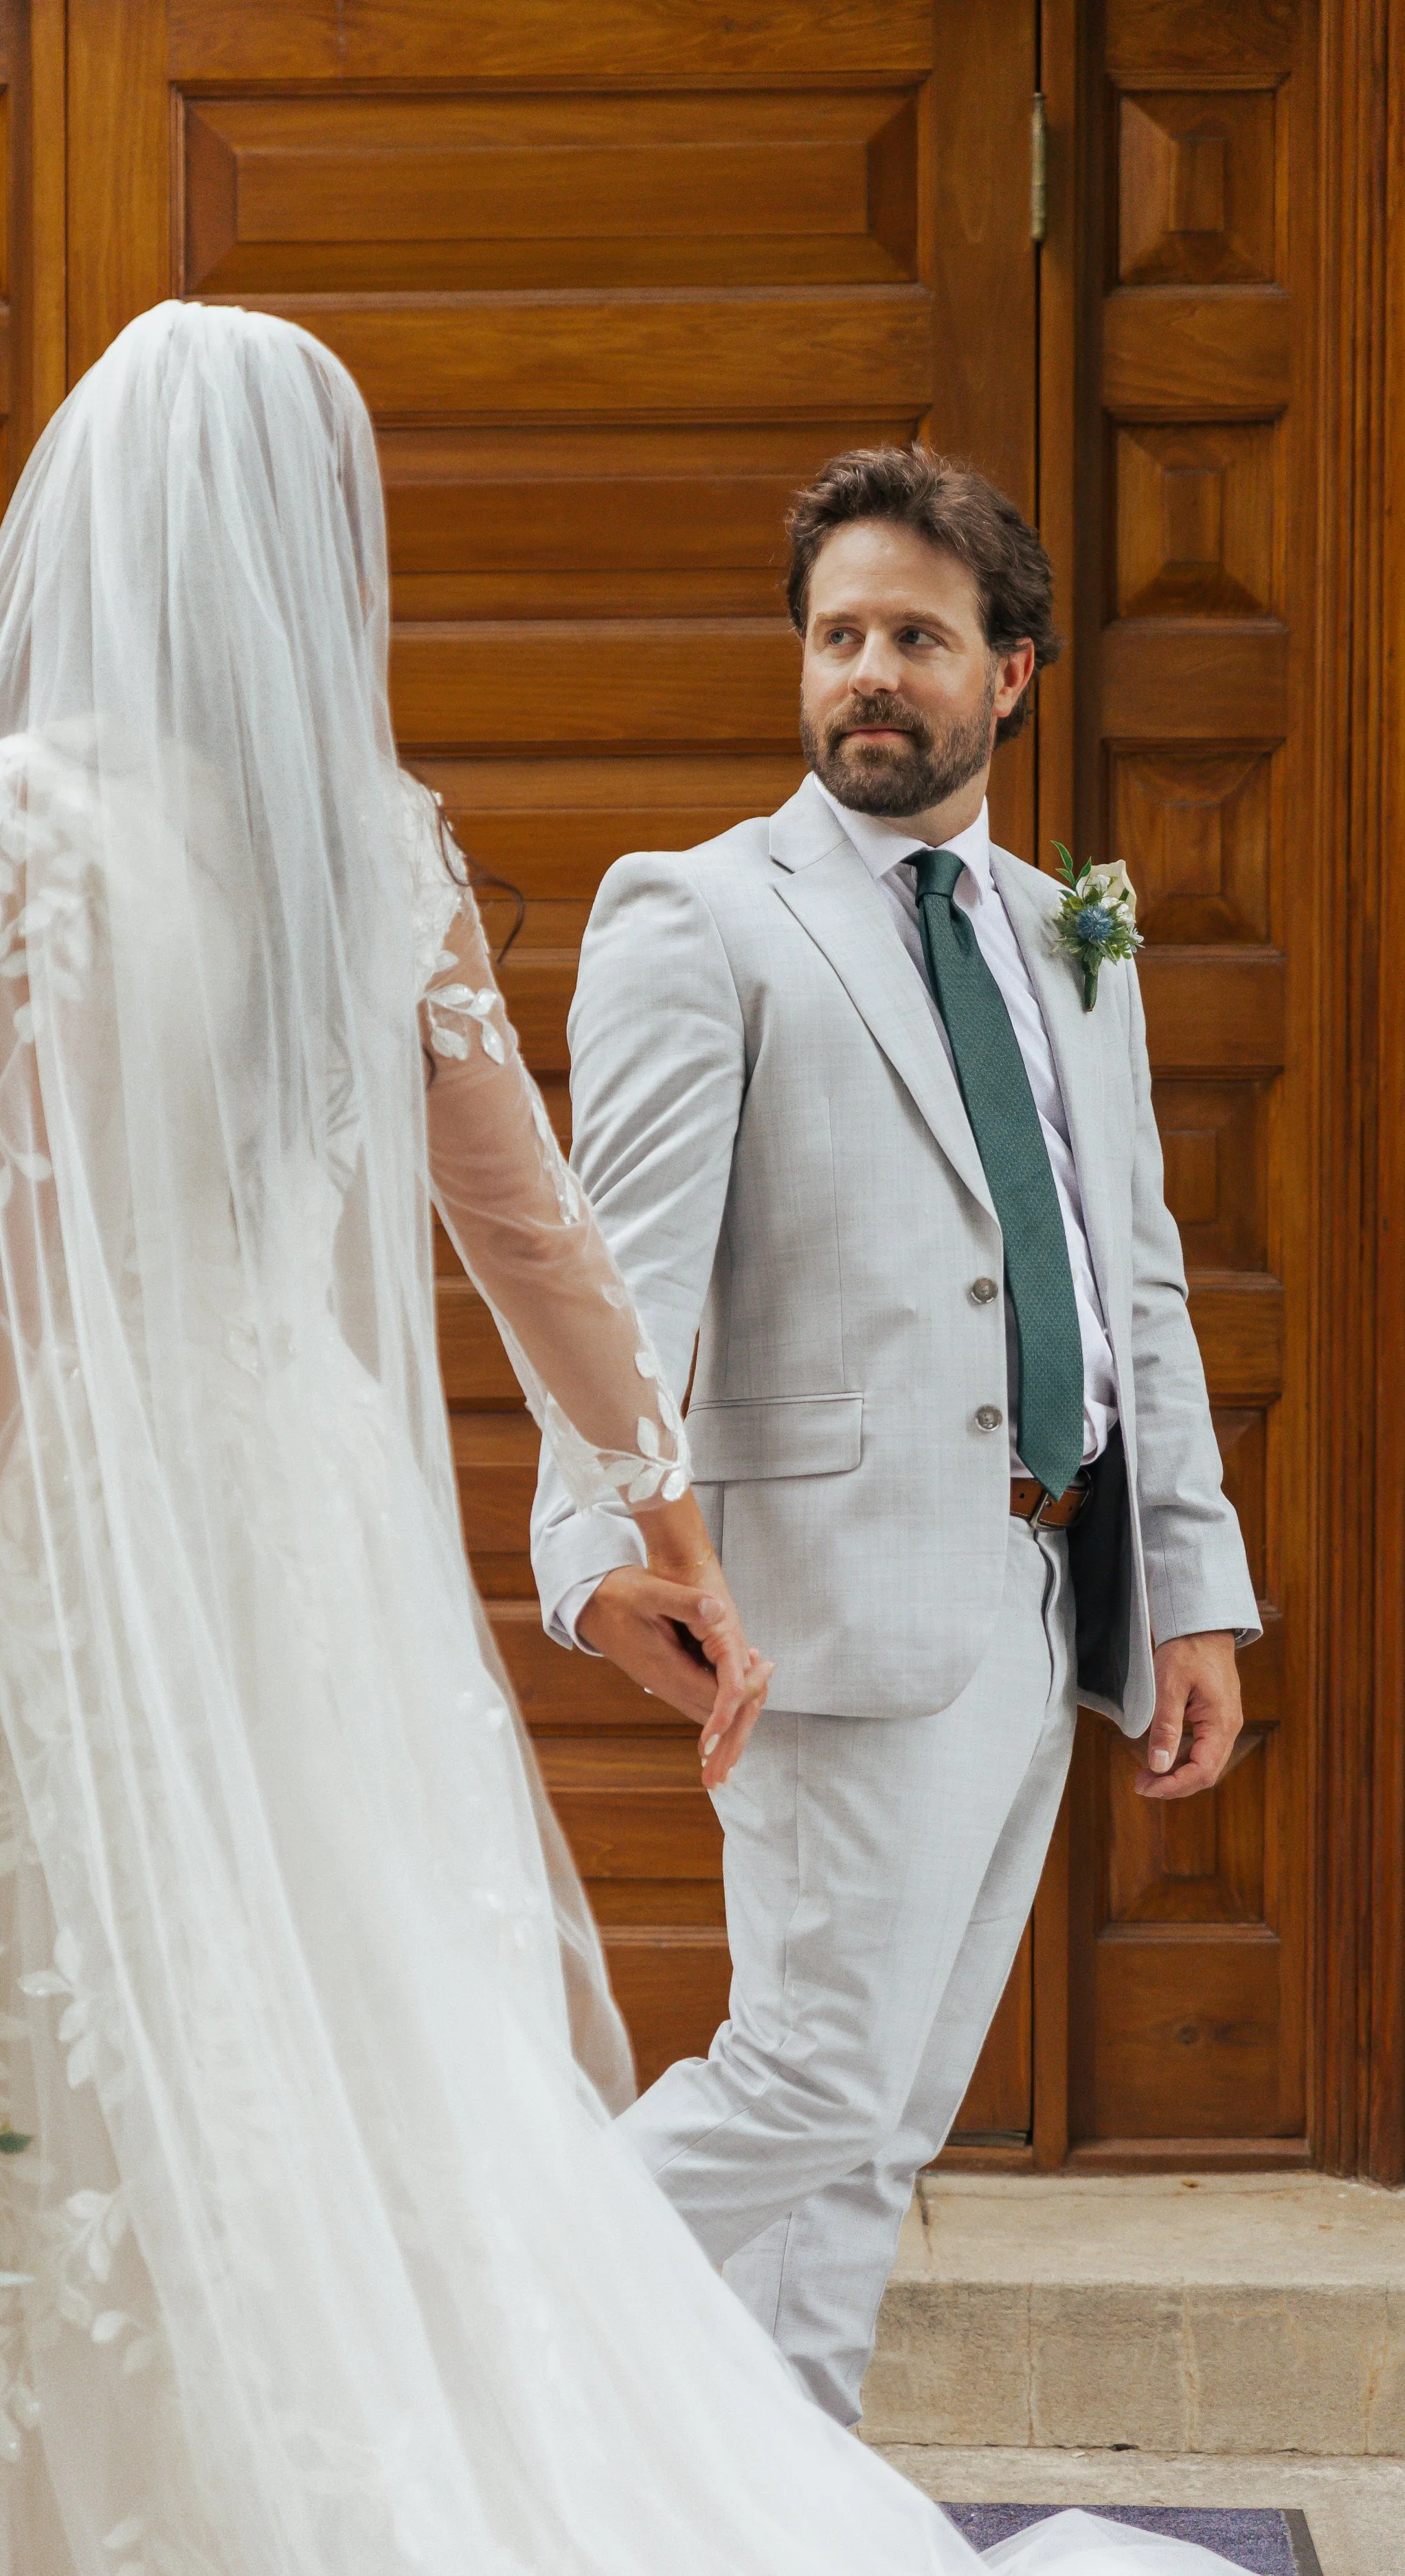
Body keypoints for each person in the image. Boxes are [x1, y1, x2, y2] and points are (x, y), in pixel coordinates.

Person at [0, 309, 1241, 2576]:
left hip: (107, 1553)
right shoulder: (369, 837)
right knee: (346, 2051)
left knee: (94, 2049)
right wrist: (665, 1512)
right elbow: (533, 1236)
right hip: (310, 1549)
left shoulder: (24, 815)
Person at [532, 444, 1261, 2428]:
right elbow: (613, 1286)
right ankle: (452, 2339)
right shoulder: (697, 914)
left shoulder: (1066, 933)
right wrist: (599, 1550)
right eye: (837, 633)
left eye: (915, 639)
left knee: (882, 2124)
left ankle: (794, 2497)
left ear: (1005, 675)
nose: (868, 671)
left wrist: (1186, 1592)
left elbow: (1139, 1283)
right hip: (832, 1607)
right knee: (812, 2079)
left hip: (1040, 1590)